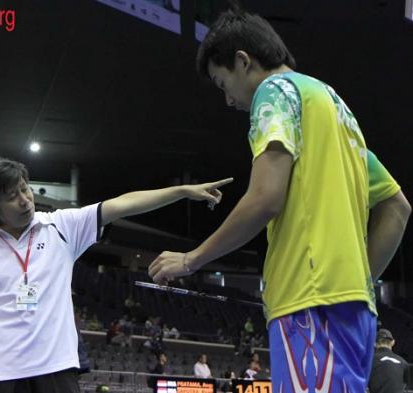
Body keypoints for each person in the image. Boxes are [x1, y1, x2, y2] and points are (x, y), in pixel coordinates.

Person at [149, 7, 411, 392]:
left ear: (243, 61)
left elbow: (265, 198)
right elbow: (396, 207)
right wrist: (360, 280)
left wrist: (191, 259)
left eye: (224, 84)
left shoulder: (275, 94)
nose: (228, 101)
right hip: (355, 310)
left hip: (308, 305)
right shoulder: (336, 109)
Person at [0, 157, 232, 392]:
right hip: (0, 374)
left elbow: (124, 204)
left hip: (57, 369)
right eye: (12, 196)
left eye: (25, 189)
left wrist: (182, 191)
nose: (25, 200)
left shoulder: (61, 226)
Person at [369, 329, 410, 393]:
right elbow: (405, 385)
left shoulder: (369, 361)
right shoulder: (404, 363)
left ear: (374, 343)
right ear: (393, 342)